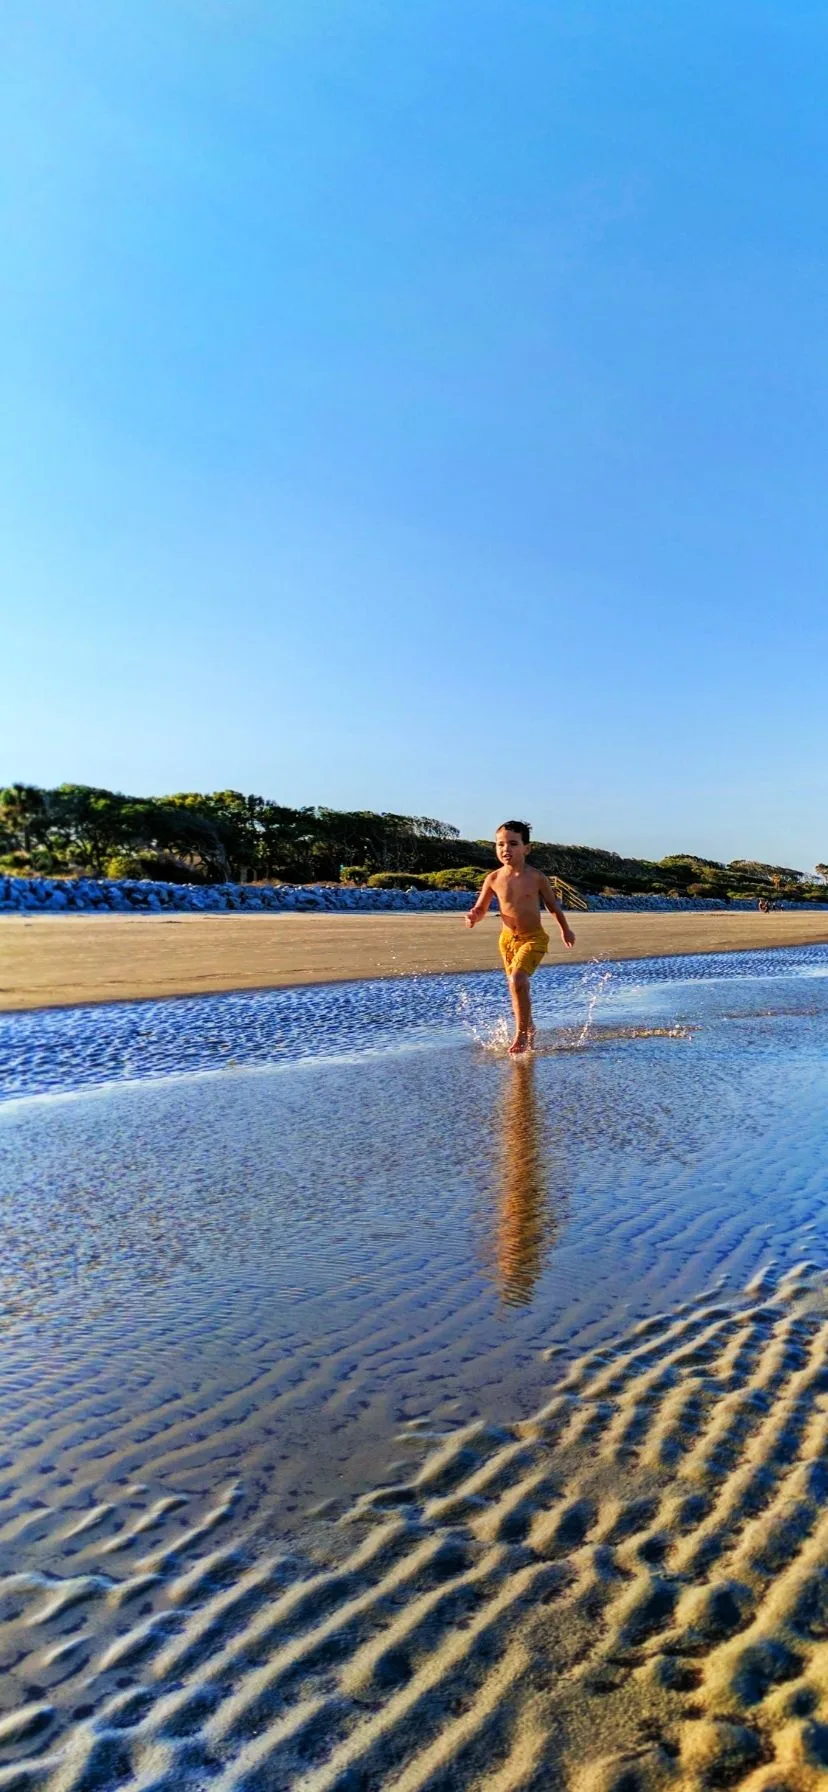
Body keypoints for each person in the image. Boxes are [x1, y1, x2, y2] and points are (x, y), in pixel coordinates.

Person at [465, 820, 576, 1054]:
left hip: (534, 938)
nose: (506, 849)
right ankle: (529, 1028)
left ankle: (521, 1035)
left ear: (527, 848)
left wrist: (565, 929)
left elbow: (552, 906)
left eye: (513, 844)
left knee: (518, 980)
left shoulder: (536, 877)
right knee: (516, 987)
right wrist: (475, 915)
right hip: (507, 941)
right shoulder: (493, 878)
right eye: (500, 844)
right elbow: (482, 908)